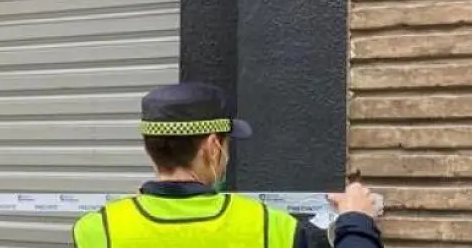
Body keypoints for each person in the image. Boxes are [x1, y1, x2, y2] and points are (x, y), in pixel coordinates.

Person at [71, 82, 384, 248]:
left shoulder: (97, 230)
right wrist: (356, 220)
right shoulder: (271, 228)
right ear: (212, 147)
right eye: (227, 143)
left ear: (148, 147)